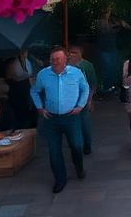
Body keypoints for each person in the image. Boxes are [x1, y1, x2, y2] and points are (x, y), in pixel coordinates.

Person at [30, 45, 90, 194]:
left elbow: (85, 88)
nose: (54, 61)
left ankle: (79, 167)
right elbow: (35, 91)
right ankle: (60, 180)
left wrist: (81, 105)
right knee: (54, 151)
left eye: (58, 59)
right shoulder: (43, 75)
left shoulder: (76, 73)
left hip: (71, 117)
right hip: (51, 119)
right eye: (52, 59)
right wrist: (40, 108)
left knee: (76, 146)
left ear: (65, 60)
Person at [67, 46, 98, 155]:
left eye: (74, 53)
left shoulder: (87, 65)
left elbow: (92, 83)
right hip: (69, 100)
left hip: (82, 99)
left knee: (84, 123)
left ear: (80, 53)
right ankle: (76, 144)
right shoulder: (66, 65)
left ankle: (87, 144)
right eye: (70, 52)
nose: (71, 55)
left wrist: (89, 100)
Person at [96, 6, 124, 96]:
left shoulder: (112, 20)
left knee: (113, 69)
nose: (107, 12)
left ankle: (112, 87)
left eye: (108, 10)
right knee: (106, 69)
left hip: (112, 47)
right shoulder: (100, 21)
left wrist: (120, 25)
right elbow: (105, 30)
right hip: (104, 48)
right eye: (106, 10)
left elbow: (126, 27)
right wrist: (118, 26)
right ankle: (105, 89)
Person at [6, 48, 37, 128]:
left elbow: (30, 75)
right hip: (16, 90)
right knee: (20, 110)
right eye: (23, 52)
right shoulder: (14, 64)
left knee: (29, 106)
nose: (24, 54)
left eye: (25, 52)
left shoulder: (27, 62)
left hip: (26, 89)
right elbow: (11, 78)